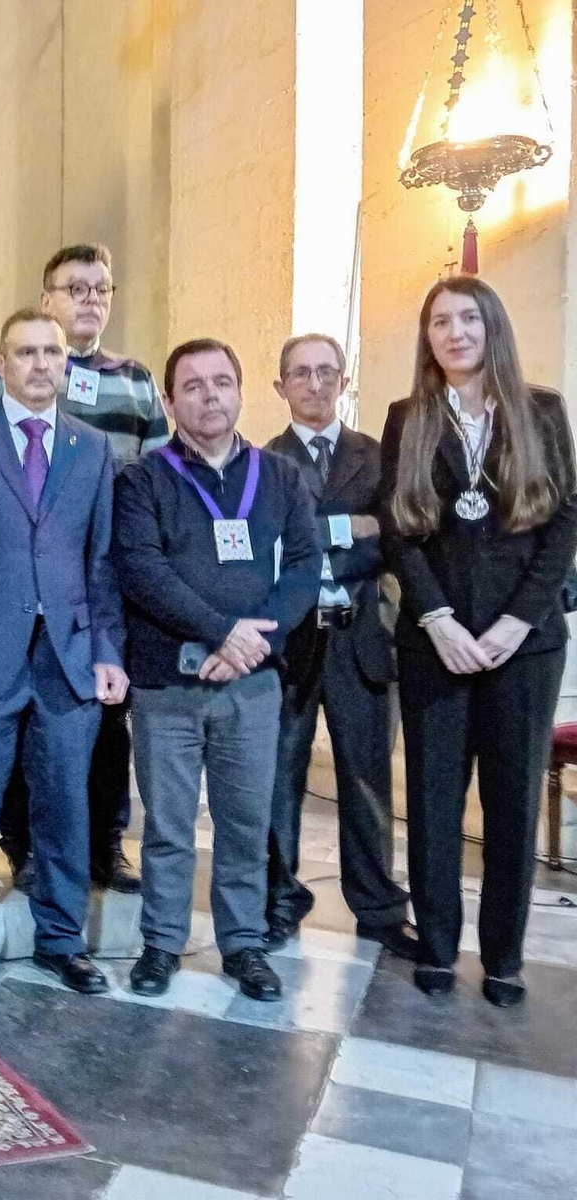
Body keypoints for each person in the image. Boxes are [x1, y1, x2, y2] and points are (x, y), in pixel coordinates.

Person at [379, 276, 577, 1007]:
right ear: (427, 337)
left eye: (468, 318)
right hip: (436, 643)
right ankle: (436, 947)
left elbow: (564, 524)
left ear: (492, 326)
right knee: (432, 801)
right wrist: (437, 619)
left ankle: (504, 958)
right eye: (439, 321)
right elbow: (400, 531)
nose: (454, 332)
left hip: (522, 646)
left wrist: (515, 622)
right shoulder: (410, 417)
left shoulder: (542, 412)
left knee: (511, 802)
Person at [0, 309, 126, 1006]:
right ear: (0, 365)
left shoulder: (92, 447)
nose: (40, 364)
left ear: (66, 363)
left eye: (52, 352)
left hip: (68, 661)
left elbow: (101, 562)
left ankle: (63, 942)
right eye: (26, 353)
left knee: (68, 809)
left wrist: (106, 650)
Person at [113, 338, 320, 1003]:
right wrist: (222, 630)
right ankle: (162, 942)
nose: (210, 395)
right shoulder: (142, 480)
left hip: (253, 685)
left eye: (221, 382)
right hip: (168, 684)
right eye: (193, 386)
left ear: (241, 392)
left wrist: (252, 641)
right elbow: (144, 572)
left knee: (243, 822)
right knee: (169, 829)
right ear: (169, 402)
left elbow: (305, 567)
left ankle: (243, 944)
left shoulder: (281, 476)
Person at [0, 245, 167, 894]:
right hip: (32, 580)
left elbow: (159, 479)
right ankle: (24, 843)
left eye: (101, 289)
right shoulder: (12, 370)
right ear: (47, 301)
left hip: (107, 578)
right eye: (75, 288)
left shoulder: (136, 379)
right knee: (27, 713)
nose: (90, 299)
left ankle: (105, 845)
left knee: (105, 716)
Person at [264, 334, 417, 957]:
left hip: (364, 638)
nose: (315, 384)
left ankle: (378, 907)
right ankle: (277, 899)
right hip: (293, 640)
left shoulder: (379, 457)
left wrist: (350, 531)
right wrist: (346, 526)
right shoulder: (263, 462)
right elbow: (270, 544)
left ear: (345, 381)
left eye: (327, 372)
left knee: (366, 778)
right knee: (280, 777)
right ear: (281, 388)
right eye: (301, 373)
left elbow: (397, 537)